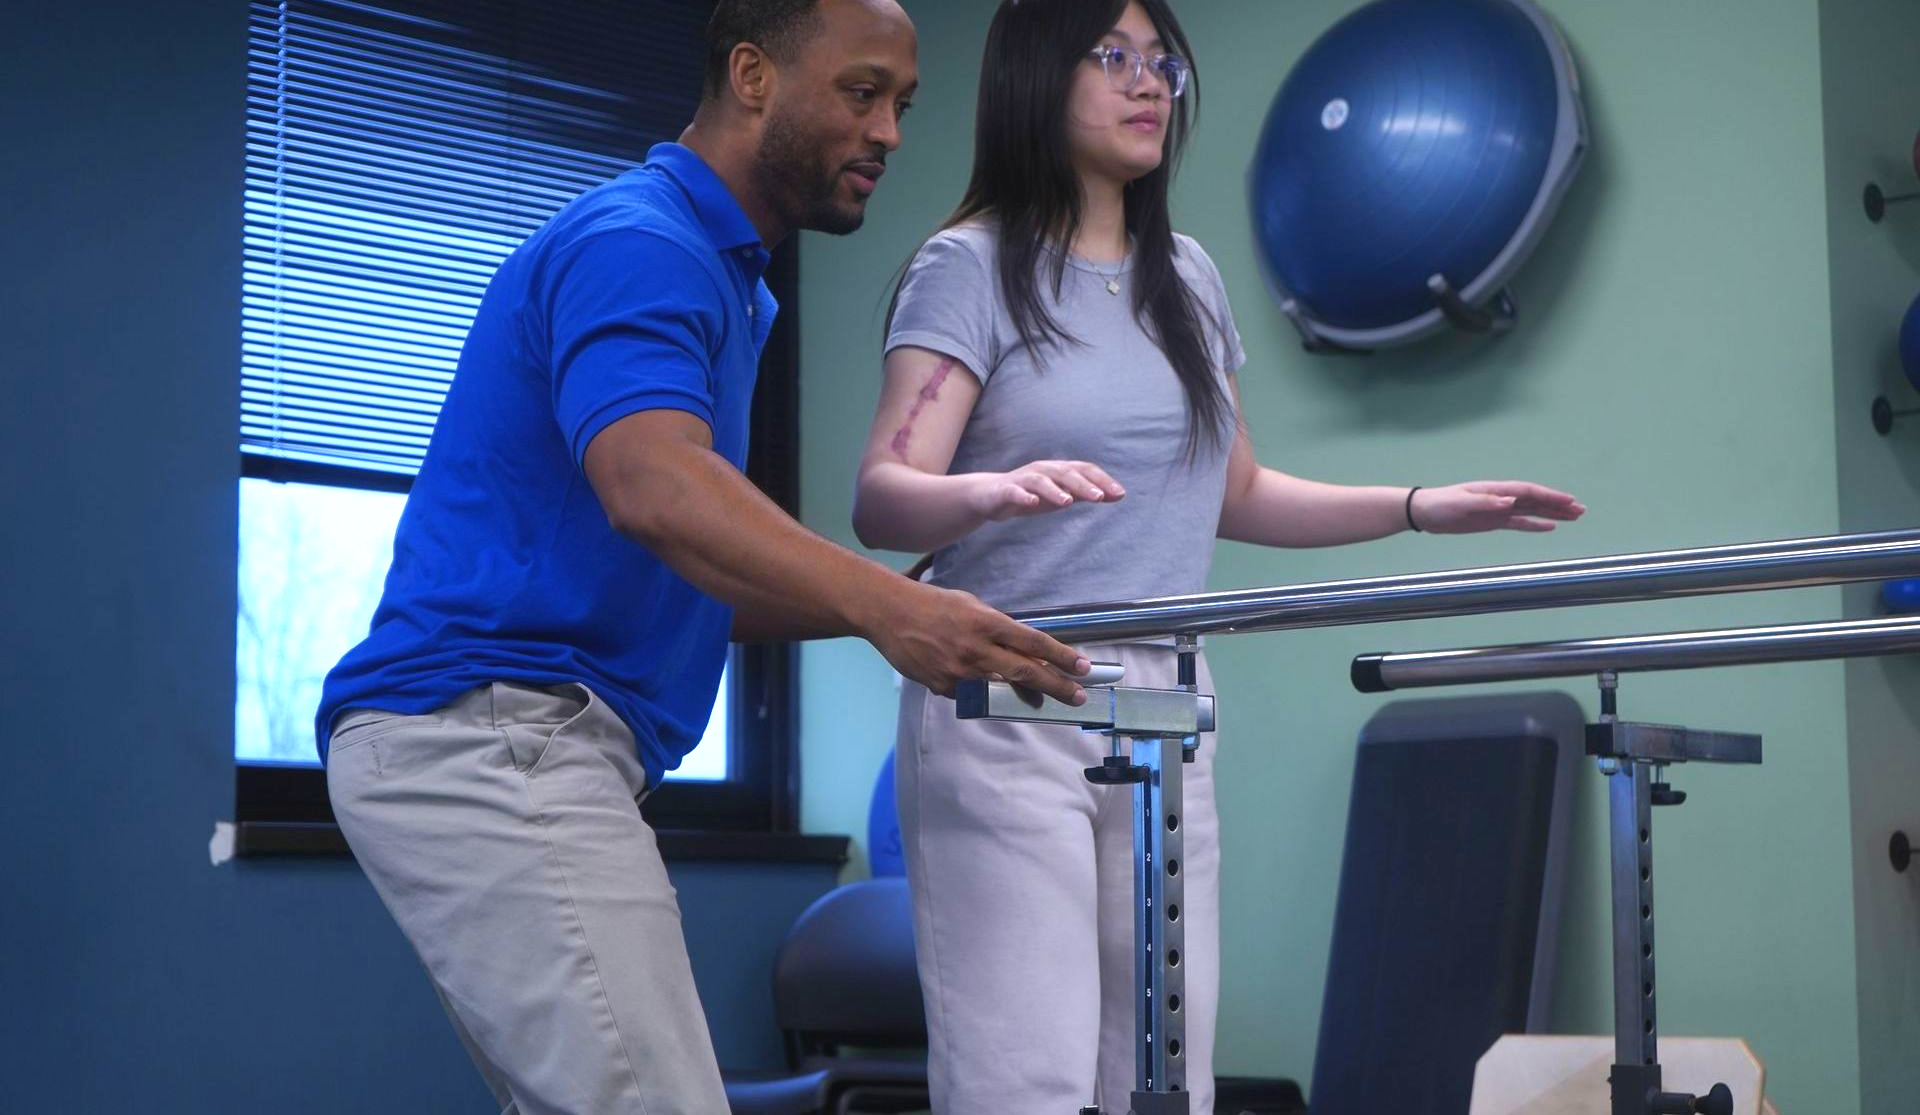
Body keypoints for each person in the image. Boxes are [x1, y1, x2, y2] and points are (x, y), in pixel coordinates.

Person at [315, 2, 1094, 1112]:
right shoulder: (643, 244)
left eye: (902, 106)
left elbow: (690, 573)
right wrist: (894, 611)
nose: (887, 132)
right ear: (752, 75)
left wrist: (916, 600)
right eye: (861, 92)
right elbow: (654, 487)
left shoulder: (720, 278)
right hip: (489, 732)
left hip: (516, 735)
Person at [853, 2, 1587, 1111]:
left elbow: (1235, 490)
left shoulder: (1186, 277)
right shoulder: (971, 266)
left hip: (1164, 703)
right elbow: (883, 497)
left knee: (1166, 1078)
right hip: (1010, 697)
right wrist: (987, 489)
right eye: (1113, 57)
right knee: (1027, 1078)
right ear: (1036, 78)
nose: (1147, 83)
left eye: (1163, 64)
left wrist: (1417, 505)